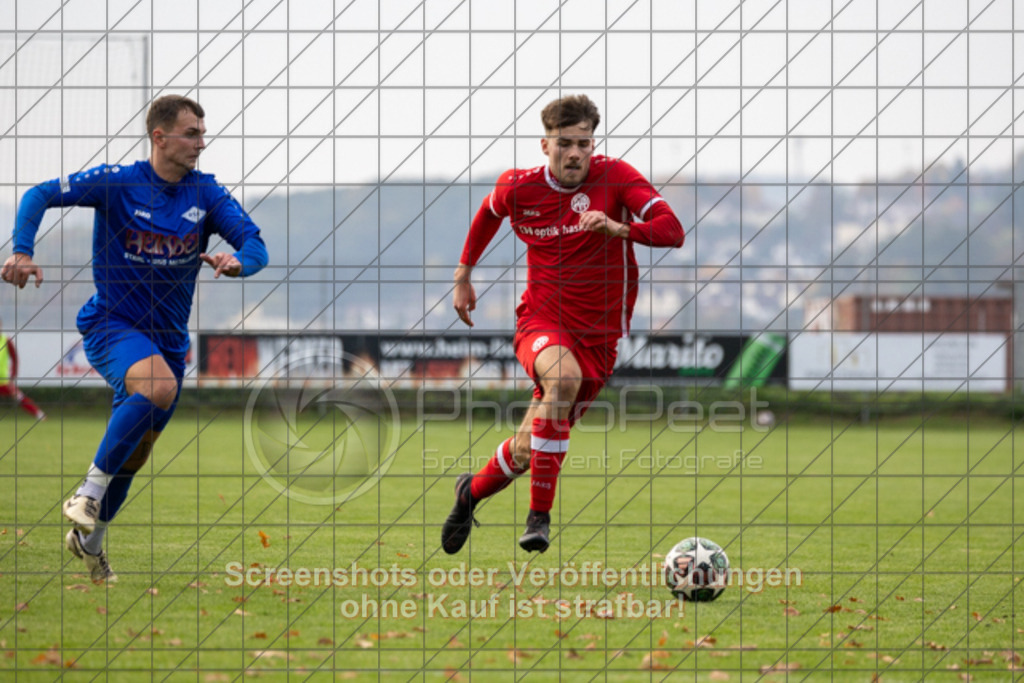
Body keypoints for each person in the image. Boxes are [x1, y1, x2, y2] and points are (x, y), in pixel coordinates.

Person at [2, 95, 268, 583]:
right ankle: (85, 492)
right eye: (192, 134)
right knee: (158, 389)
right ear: (159, 136)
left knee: (136, 451)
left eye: (204, 134)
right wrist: (21, 251)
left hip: (168, 344)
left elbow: (256, 245)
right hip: (112, 325)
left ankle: (90, 543)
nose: (201, 144)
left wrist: (238, 263)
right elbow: (39, 194)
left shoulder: (206, 195)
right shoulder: (118, 183)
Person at [442, 94, 684, 554]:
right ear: (545, 144)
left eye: (584, 143)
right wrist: (463, 274)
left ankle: (468, 492)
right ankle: (539, 518)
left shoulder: (617, 177)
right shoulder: (519, 188)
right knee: (563, 379)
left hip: (600, 338)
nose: (575, 152)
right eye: (565, 143)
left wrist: (620, 228)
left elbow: (673, 231)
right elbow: (488, 215)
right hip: (541, 321)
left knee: (526, 449)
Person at [0, 315, 47, 421]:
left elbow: (14, 358)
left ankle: (38, 414)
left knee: (20, 397)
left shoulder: (5, 340)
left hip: (3, 381)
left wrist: (13, 375)